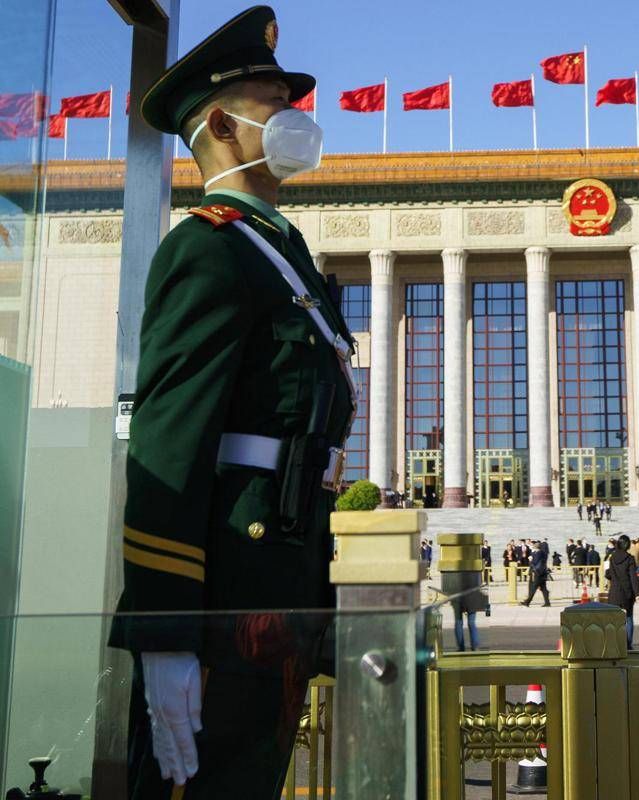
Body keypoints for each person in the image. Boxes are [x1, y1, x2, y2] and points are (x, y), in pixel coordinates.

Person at [107, 8, 354, 797]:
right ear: (221, 124)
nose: (295, 117)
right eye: (275, 102)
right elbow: (167, 446)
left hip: (278, 584)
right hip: (225, 597)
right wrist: (166, 634)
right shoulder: (208, 249)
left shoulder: (280, 250)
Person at [606, 535, 639, 647]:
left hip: (614, 592)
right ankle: (628, 644)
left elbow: (609, 574)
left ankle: (615, 642)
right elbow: (633, 577)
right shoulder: (630, 558)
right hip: (627, 592)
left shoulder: (612, 557)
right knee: (629, 618)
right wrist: (637, 593)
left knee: (613, 619)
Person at [520, 542, 551, 607]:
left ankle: (527, 602)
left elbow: (535, 562)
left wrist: (530, 560)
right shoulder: (543, 553)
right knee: (543, 588)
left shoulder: (538, 553)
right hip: (542, 572)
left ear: (535, 547)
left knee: (533, 588)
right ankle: (547, 602)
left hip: (538, 573)